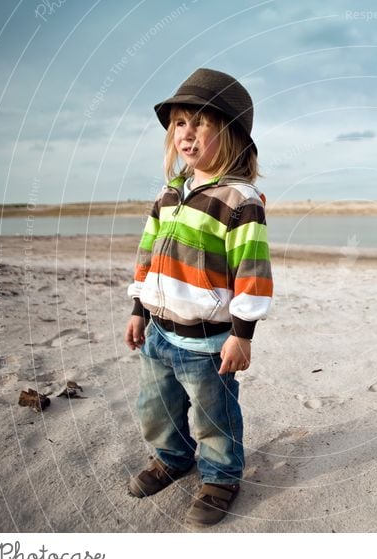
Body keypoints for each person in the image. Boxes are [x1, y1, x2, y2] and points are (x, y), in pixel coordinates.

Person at [123, 68, 273, 527]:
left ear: (230, 135)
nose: (186, 135)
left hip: (209, 342)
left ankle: (222, 477)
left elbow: (253, 271)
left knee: (214, 416)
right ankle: (172, 457)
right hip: (159, 334)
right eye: (179, 124)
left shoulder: (239, 200)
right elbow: (148, 253)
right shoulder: (169, 195)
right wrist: (137, 307)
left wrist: (242, 335)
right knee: (157, 408)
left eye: (200, 123)